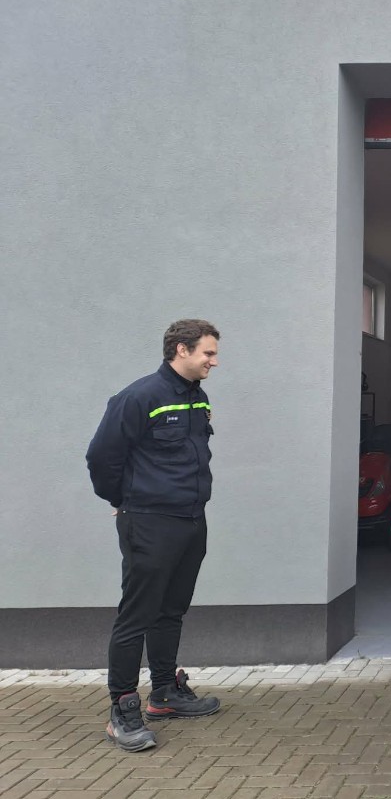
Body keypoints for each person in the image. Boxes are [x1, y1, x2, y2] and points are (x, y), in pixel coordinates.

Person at [85, 319, 223, 753]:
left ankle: (164, 693)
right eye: (208, 353)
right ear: (182, 349)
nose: (214, 361)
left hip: (191, 520)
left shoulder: (196, 397)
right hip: (149, 521)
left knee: (171, 610)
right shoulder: (138, 397)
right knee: (137, 615)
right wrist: (122, 499)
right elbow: (101, 456)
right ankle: (122, 710)